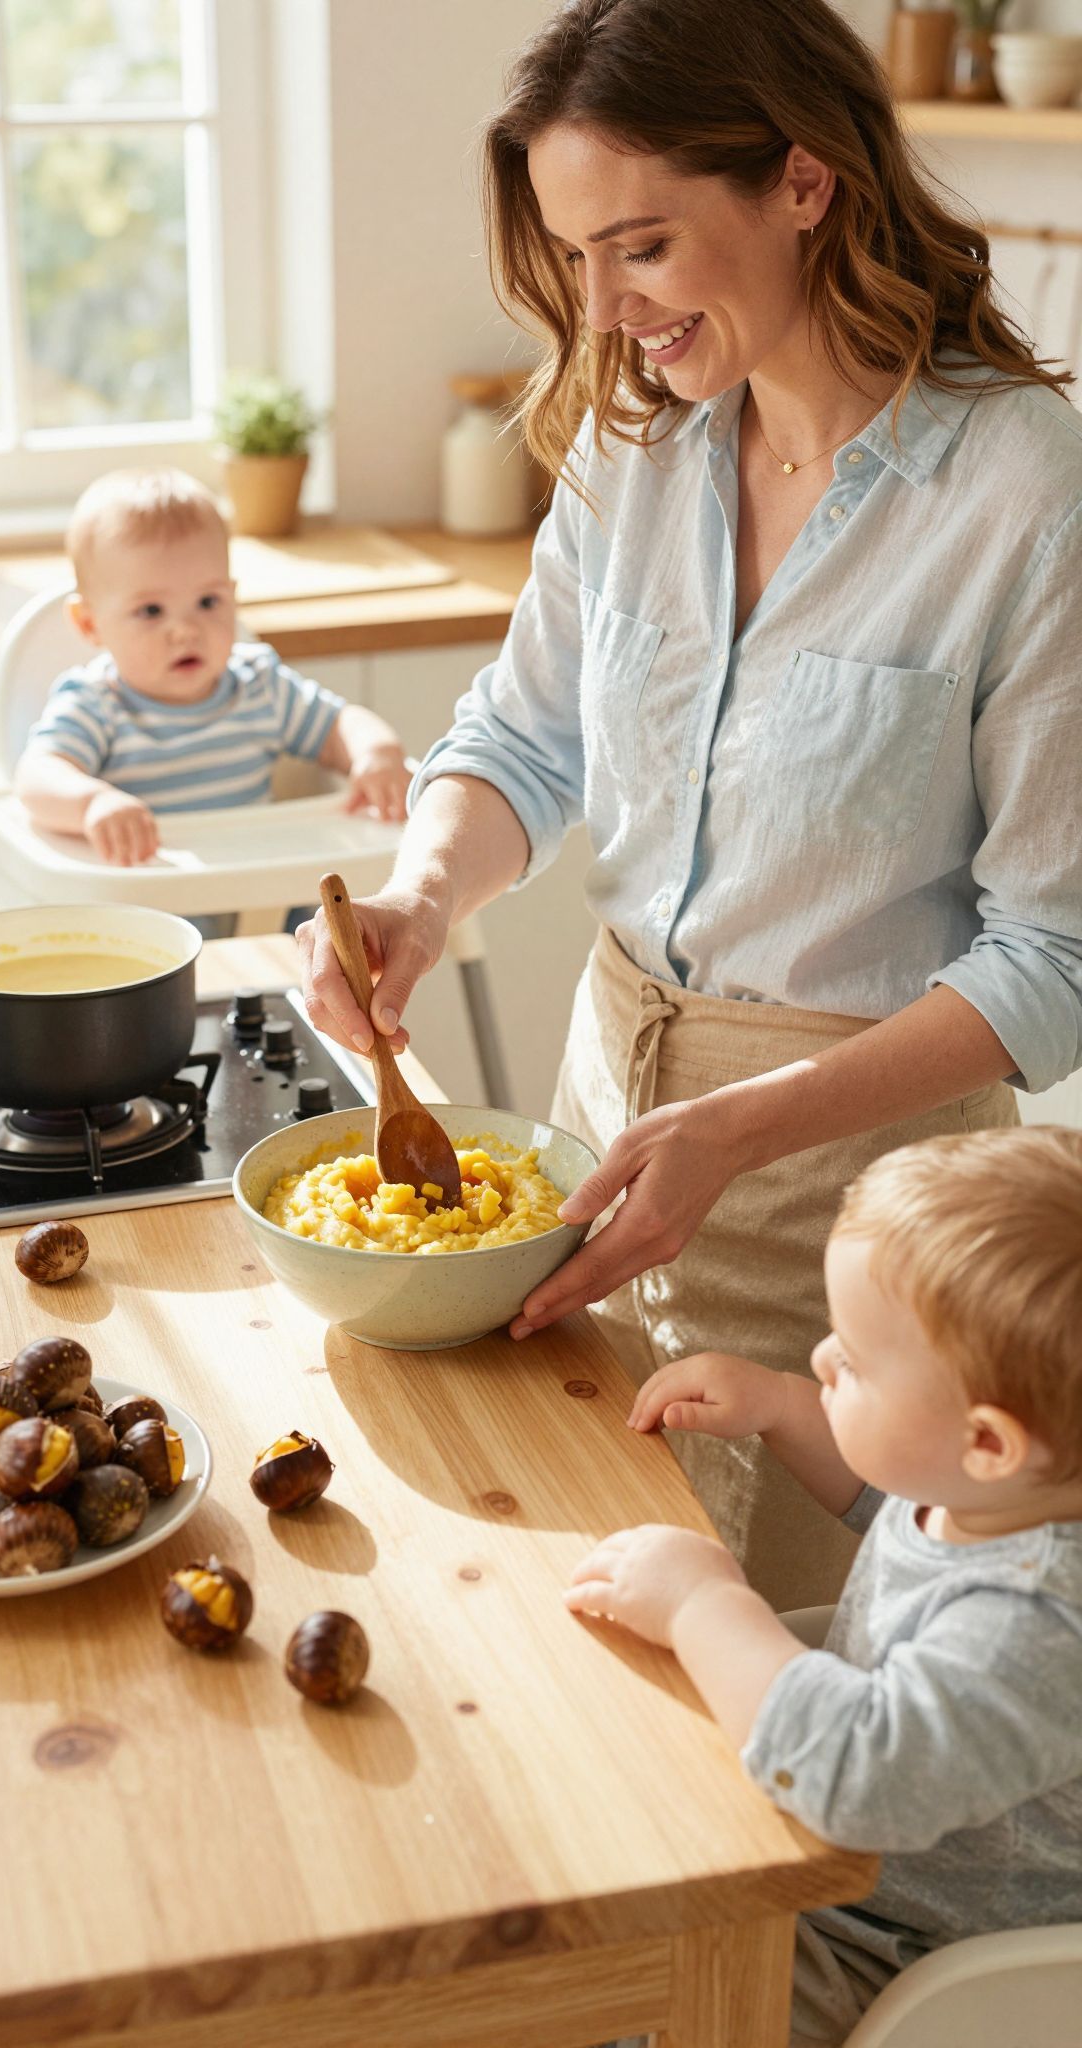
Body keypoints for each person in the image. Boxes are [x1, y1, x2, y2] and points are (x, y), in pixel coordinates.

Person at [298, 0, 1082, 1608]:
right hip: (601, 1157)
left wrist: (739, 1130)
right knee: (593, 1645)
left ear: (804, 183)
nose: (601, 309)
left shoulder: (1021, 490)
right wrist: (423, 898)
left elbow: (1053, 955)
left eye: (639, 246)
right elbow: (522, 740)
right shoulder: (634, 441)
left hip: (859, 1231)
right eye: (575, 255)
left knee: (788, 1729)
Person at [567, 1125, 1082, 2046]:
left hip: (886, 1949)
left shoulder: (1033, 1623)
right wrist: (782, 1407)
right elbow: (895, 1494)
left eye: (854, 1359)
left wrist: (703, 1603)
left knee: (617, 1994)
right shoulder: (1002, 1491)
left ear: (990, 1443)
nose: (822, 1360)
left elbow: (857, 1777)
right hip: (824, 1872)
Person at [16, 470, 411, 875]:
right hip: (156, 899)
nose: (187, 630)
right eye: (151, 611)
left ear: (233, 596)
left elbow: (338, 725)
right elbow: (37, 776)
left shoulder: (259, 687)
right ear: (89, 624)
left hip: (259, 891)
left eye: (208, 601)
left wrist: (375, 752)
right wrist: (92, 804)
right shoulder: (97, 705)